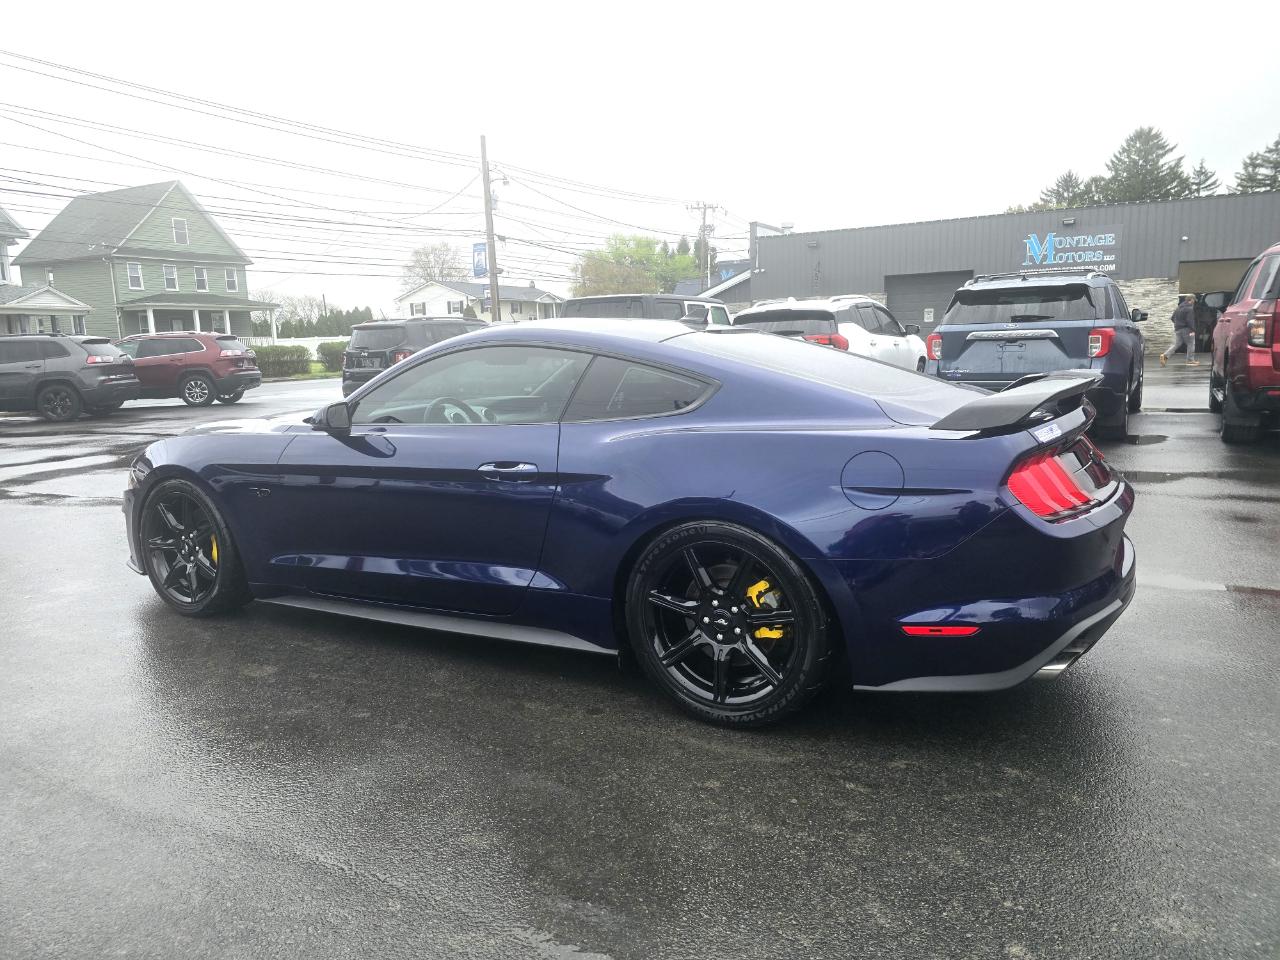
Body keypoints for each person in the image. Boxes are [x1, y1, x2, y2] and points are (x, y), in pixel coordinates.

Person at [1160, 294, 1199, 366]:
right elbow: (1190, 320)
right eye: (1194, 301)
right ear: (1192, 300)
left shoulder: (1178, 308)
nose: (1194, 302)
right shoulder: (1189, 309)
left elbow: (1172, 318)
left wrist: (1178, 324)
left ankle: (1165, 356)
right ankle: (1190, 360)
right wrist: (1193, 329)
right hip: (1187, 329)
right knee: (1191, 343)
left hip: (1177, 329)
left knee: (1176, 344)